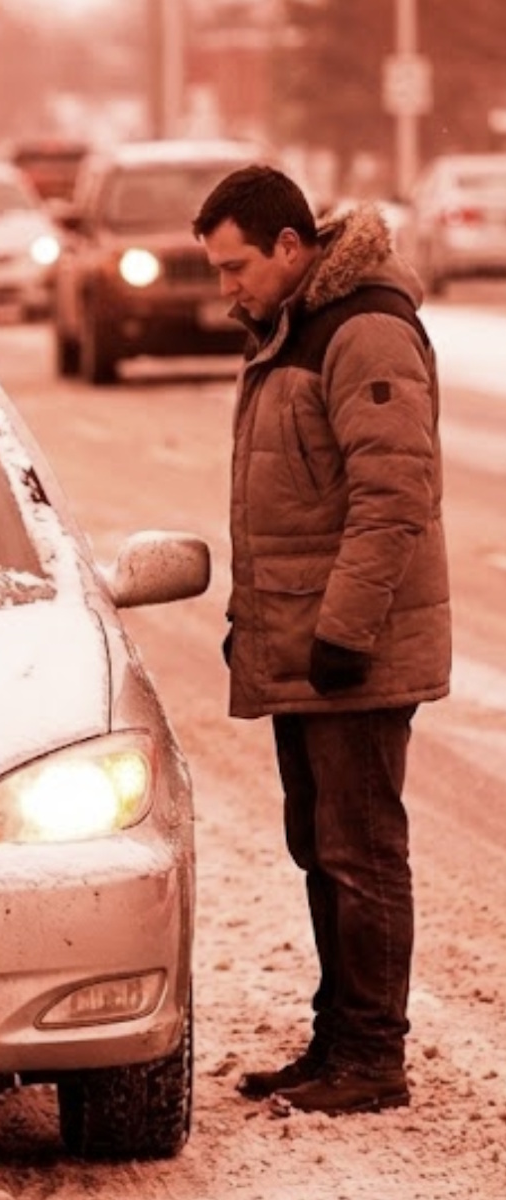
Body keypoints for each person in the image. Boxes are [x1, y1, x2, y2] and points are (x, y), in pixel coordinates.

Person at [192, 165, 449, 1116]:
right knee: (320, 846)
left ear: (291, 249)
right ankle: (335, 1039)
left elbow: (393, 498)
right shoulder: (290, 328)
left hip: (356, 647)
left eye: (235, 267)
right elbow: (289, 505)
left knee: (361, 851)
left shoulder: (362, 329)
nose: (227, 287)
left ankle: (373, 1055)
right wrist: (252, 621)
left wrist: (341, 631)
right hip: (304, 641)